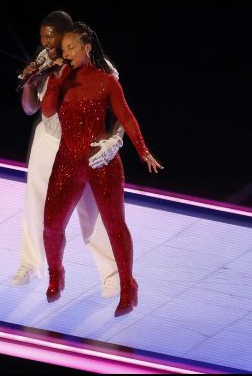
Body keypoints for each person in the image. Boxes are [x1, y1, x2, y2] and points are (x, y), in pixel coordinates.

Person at [41, 22, 163, 317]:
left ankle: (127, 286)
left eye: (72, 48)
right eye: (64, 48)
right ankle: (56, 274)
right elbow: (46, 111)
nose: (66, 53)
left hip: (101, 162)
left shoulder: (107, 81)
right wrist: (55, 81)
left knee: (114, 226)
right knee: (51, 225)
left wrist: (143, 151)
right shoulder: (63, 79)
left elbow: (128, 118)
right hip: (67, 161)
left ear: (87, 48)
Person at [13, 11, 125, 299]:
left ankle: (112, 275)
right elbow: (29, 109)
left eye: (52, 40)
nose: (47, 46)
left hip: (83, 145)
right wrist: (29, 81)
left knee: (91, 211)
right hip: (49, 139)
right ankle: (31, 264)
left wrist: (114, 140)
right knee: (35, 205)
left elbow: (121, 112)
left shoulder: (100, 67)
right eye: (43, 41)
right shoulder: (45, 60)